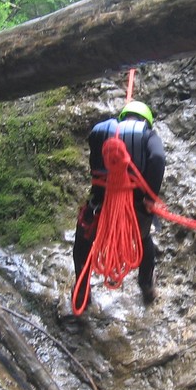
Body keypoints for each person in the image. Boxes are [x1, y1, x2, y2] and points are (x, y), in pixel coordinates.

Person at [73, 101, 165, 308]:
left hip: (100, 205)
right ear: (146, 121)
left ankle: (81, 291)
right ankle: (146, 286)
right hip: (135, 208)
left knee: (83, 241)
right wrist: (150, 197)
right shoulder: (148, 135)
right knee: (143, 240)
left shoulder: (101, 130)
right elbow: (158, 158)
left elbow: (94, 153)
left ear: (122, 117)